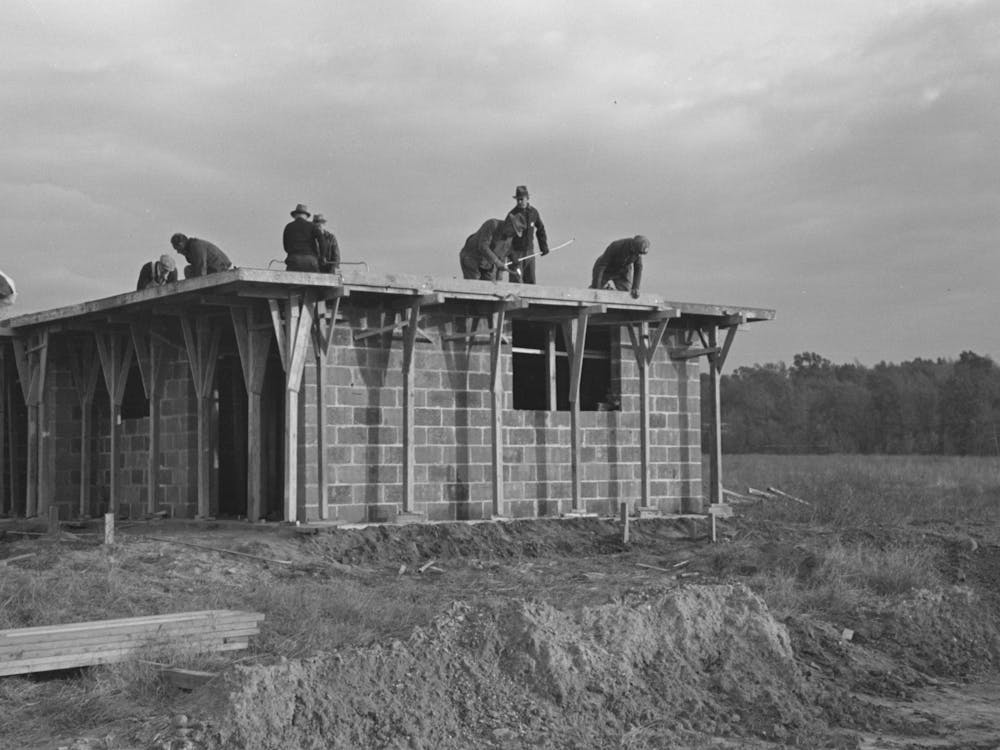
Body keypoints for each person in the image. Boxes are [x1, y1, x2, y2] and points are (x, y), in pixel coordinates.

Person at [459, 213, 527, 281]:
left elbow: (505, 254)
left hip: (487, 264)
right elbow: (483, 246)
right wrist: (497, 262)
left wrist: (515, 264)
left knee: (491, 286)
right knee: (475, 285)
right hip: (472, 258)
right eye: (514, 231)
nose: (514, 235)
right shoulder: (492, 225)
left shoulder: (509, 237)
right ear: (509, 224)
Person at [505, 185, 549, 285]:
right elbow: (505, 238)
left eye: (521, 199)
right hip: (516, 254)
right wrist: (511, 255)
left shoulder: (534, 212)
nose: (519, 202)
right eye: (517, 200)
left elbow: (540, 229)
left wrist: (544, 246)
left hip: (530, 253)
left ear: (527, 198)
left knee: (531, 282)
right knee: (516, 282)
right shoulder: (512, 215)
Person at [282, 204, 326, 272]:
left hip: (294, 260)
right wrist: (322, 257)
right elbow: (322, 240)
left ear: (295, 215)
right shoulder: (312, 226)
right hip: (311, 260)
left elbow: (286, 247)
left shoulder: (288, 227)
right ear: (306, 216)